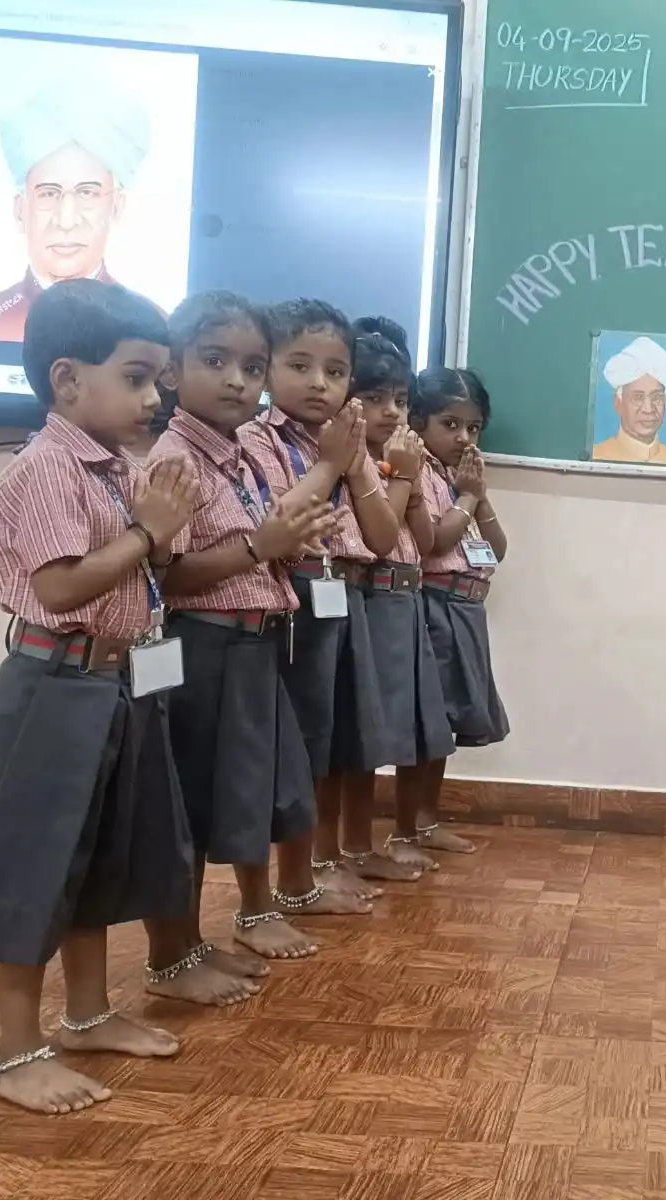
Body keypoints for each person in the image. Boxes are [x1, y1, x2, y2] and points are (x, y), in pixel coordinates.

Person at [0, 279, 196, 1113]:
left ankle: (88, 1014)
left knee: (96, 857)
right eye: (138, 377)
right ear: (68, 381)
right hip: (51, 690)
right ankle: (13, 1051)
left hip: (110, 685)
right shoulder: (45, 468)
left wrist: (154, 540)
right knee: (32, 866)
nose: (153, 397)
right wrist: (148, 535)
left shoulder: (113, 471)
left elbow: (136, 569)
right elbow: (62, 587)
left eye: (158, 380)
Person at [145, 292, 349, 1010]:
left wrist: (284, 544)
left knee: (233, 796)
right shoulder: (173, 459)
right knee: (188, 806)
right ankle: (169, 955)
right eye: (214, 361)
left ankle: (200, 941)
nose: (237, 379)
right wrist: (262, 545)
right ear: (170, 371)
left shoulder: (235, 458)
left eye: (251, 366)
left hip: (252, 648)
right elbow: (163, 577)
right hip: (202, 648)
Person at [237, 299, 401, 908]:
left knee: (333, 741)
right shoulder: (256, 439)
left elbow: (383, 539)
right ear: (266, 369)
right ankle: (294, 879)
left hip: (342, 595)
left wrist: (353, 465)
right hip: (292, 598)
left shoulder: (344, 443)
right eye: (299, 365)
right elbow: (280, 521)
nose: (318, 383)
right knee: (298, 745)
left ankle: (322, 863)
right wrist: (332, 462)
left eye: (335, 371)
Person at [344, 318, 456, 880]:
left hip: (404, 598)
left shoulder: (397, 458)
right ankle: (351, 848)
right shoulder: (357, 461)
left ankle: (372, 844)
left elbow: (424, 538)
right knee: (359, 738)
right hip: (367, 599)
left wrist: (408, 481)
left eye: (400, 400)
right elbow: (378, 535)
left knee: (400, 727)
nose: (390, 411)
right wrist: (404, 480)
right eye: (374, 397)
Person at [387, 366, 510, 859]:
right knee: (425, 722)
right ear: (418, 422)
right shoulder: (415, 470)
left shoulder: (458, 477)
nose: (463, 437)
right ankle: (402, 830)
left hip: (466, 608)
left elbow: (496, 548)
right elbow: (435, 542)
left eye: (474, 428)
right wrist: (466, 496)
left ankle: (427, 820)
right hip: (433, 604)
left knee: (447, 726)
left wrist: (475, 495)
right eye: (451, 424)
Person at [0, 83, 150, 342]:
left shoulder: (153, 333)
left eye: (87, 193)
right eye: (49, 193)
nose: (66, 221)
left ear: (116, 207)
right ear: (20, 211)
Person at [591, 335, 666, 464]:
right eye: (637, 397)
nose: (648, 409)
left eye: (656, 398)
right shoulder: (597, 456)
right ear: (618, 403)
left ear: (665, 402)